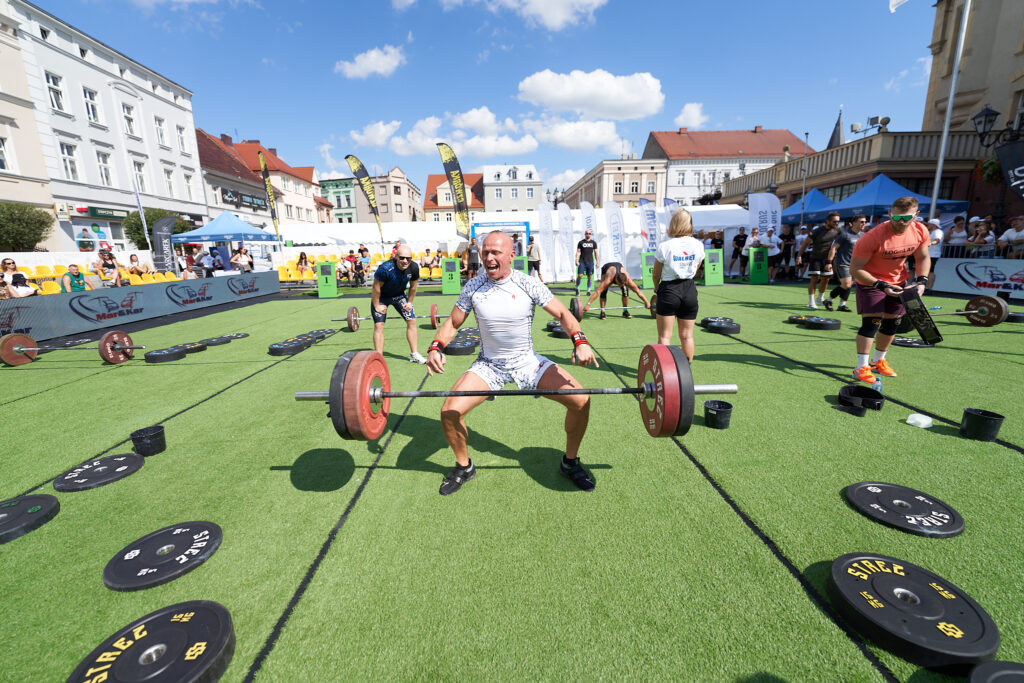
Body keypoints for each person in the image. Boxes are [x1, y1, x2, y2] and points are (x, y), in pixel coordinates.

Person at [426, 231, 598, 496]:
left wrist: (580, 341)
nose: (489, 258)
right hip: (488, 365)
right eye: (485, 252)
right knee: (449, 411)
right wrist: (436, 347)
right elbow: (453, 322)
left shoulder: (527, 283)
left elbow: (563, 312)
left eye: (496, 252)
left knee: (581, 400)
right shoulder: (473, 286)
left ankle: (570, 462)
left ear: (511, 255)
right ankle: (464, 466)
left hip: (527, 362)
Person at [849, 196, 931, 385]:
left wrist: (922, 281)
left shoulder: (920, 231)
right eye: (896, 218)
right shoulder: (873, 237)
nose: (900, 222)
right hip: (871, 281)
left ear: (916, 215)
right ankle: (861, 367)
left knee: (892, 323)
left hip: (899, 282)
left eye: (906, 218)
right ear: (890, 214)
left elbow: (923, 257)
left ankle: (878, 361)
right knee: (872, 322)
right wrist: (881, 285)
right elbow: (855, 270)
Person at [653, 208, 705, 362]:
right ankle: (685, 373)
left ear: (673, 224)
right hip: (689, 289)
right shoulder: (698, 245)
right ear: (690, 224)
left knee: (664, 336)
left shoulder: (665, 246)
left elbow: (656, 274)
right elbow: (697, 267)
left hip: (669, 290)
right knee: (687, 336)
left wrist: (656, 288)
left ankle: (665, 374)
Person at [372, 245, 426, 364]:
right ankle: (379, 358)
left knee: (412, 321)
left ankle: (414, 354)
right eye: (402, 258)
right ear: (396, 257)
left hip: (399, 296)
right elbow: (375, 288)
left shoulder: (414, 267)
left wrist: (409, 302)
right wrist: (377, 305)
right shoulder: (385, 269)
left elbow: (413, 287)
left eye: (408, 258)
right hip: (381, 297)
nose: (405, 261)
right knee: (379, 325)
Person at [797, 212, 842, 309]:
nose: (837, 223)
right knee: (814, 279)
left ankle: (820, 299)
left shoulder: (838, 231)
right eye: (834, 221)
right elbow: (805, 244)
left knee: (826, 279)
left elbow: (846, 238)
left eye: (838, 221)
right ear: (827, 221)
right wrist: (799, 256)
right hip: (815, 258)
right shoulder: (817, 231)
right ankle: (811, 302)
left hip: (827, 259)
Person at [823, 214, 867, 312]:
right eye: (861, 221)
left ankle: (842, 305)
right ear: (854, 223)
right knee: (846, 284)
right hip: (843, 263)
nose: (864, 224)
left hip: (856, 265)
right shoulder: (845, 235)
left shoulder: (863, 236)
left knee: (849, 285)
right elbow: (833, 248)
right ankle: (828, 300)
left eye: (865, 222)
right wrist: (829, 262)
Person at [581, 262, 649, 320]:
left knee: (625, 291)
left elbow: (638, 291)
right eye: (620, 284)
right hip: (606, 268)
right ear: (616, 280)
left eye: (622, 284)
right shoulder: (609, 279)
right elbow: (597, 291)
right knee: (603, 291)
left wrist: (646, 302)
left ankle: (625, 311)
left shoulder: (628, 280)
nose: (620, 286)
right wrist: (588, 304)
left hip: (619, 267)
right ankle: (602, 311)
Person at [575, 228, 598, 296]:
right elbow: (578, 251)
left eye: (589, 233)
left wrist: (597, 262)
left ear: (591, 235)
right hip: (582, 261)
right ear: (585, 234)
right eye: (587, 233)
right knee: (580, 275)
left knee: (589, 277)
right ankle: (577, 288)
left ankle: (588, 291)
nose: (588, 234)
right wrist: (576, 260)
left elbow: (596, 253)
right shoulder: (581, 242)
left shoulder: (593, 243)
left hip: (590, 262)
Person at [926, 218, 944, 289]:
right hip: (930, 254)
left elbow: (937, 240)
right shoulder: (933, 232)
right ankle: (927, 287)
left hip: (933, 254)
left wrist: (930, 244)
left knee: (930, 271)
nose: (927, 225)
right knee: (928, 271)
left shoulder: (938, 231)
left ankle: (929, 288)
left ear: (933, 225)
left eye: (929, 224)